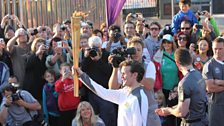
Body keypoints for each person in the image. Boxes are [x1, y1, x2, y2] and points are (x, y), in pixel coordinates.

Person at [76, 60, 149, 126]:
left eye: (124, 74)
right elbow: (103, 92)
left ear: (135, 75)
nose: (122, 77)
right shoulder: (124, 92)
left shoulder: (139, 98)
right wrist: (81, 75)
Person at [108, 37, 161, 126]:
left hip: (148, 111)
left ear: (142, 51)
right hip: (129, 111)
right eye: (133, 50)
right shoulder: (124, 67)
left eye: (138, 50)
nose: (135, 53)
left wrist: (134, 72)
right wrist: (115, 67)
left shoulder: (148, 65)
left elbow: (150, 85)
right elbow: (112, 88)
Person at [155, 48, 208, 126]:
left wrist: (169, 110)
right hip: (203, 120)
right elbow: (190, 103)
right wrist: (171, 109)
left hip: (192, 122)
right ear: (190, 60)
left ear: (177, 63)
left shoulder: (184, 83)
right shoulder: (198, 74)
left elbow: (182, 112)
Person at [81, 36, 117, 126]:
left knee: (107, 118)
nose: (95, 49)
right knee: (94, 118)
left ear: (101, 46)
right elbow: (82, 70)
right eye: (93, 47)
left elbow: (109, 71)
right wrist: (85, 57)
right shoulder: (88, 56)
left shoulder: (107, 55)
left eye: (97, 47)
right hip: (92, 91)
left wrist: (98, 60)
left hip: (105, 92)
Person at [202, 37, 224, 126]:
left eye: (220, 49)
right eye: (215, 49)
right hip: (216, 106)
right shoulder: (209, 65)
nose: (217, 51)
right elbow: (210, 87)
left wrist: (219, 82)